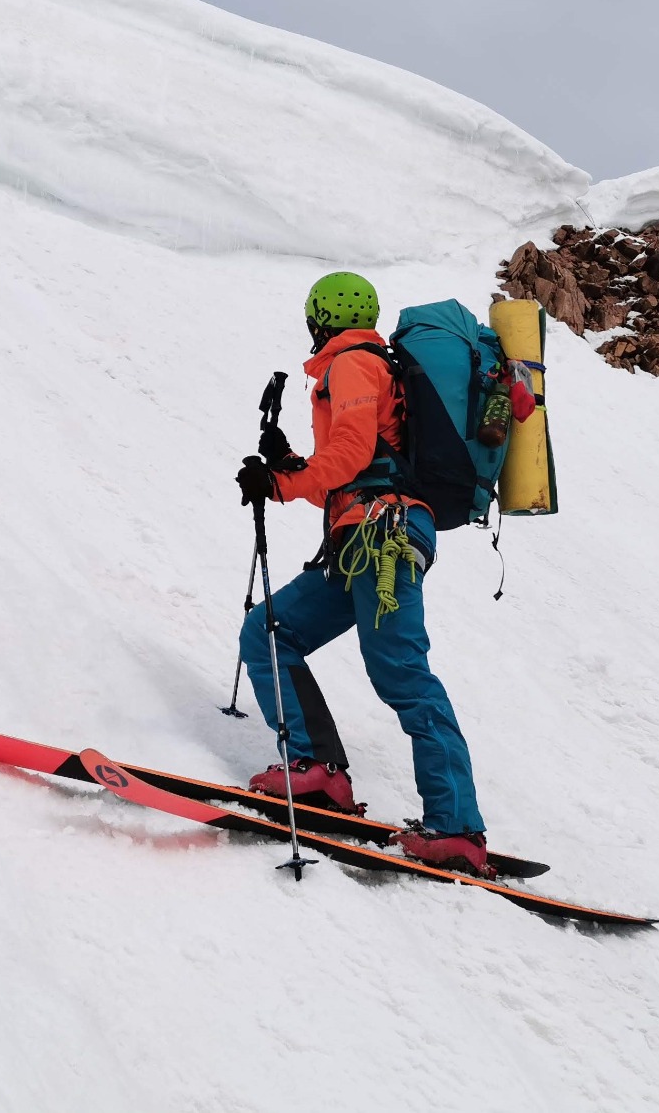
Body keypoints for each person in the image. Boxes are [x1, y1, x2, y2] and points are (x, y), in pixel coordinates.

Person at [233, 272, 491, 874]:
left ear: (318, 317)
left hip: (384, 539)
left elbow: (349, 456)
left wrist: (279, 482)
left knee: (402, 675)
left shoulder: (351, 363)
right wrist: (291, 466)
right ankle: (316, 772)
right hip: (364, 536)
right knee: (271, 632)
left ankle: (456, 827)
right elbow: (361, 464)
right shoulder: (368, 366)